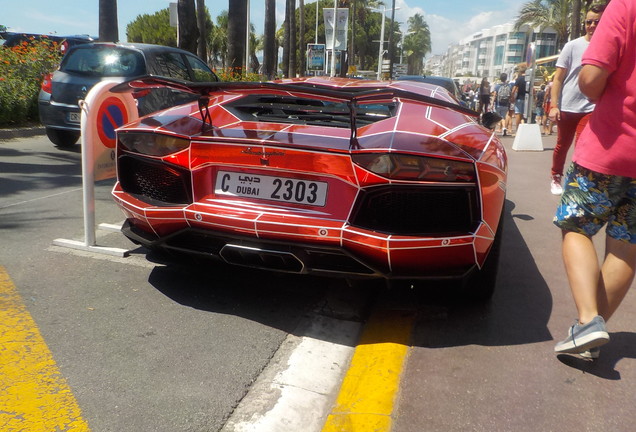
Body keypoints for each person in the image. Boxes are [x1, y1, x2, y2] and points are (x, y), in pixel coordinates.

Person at [553, 0, 636, 359]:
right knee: (626, 244)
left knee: (576, 225)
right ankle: (588, 335)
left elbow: (589, 79)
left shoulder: (625, 7)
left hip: (611, 145)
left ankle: (588, 322)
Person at [548, 4, 606, 196]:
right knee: (562, 145)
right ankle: (556, 176)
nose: (592, 25)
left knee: (583, 146)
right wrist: (554, 105)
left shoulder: (608, 46)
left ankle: (577, 181)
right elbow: (558, 78)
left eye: (597, 22)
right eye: (588, 22)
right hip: (567, 106)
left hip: (590, 107)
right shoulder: (572, 46)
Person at [510, 66, 527, 135]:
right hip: (526, 99)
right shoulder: (528, 79)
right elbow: (532, 89)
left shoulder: (519, 79)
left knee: (518, 114)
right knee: (524, 115)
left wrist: (512, 97)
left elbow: (514, 89)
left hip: (519, 98)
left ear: (520, 72)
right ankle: (523, 130)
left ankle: (518, 130)